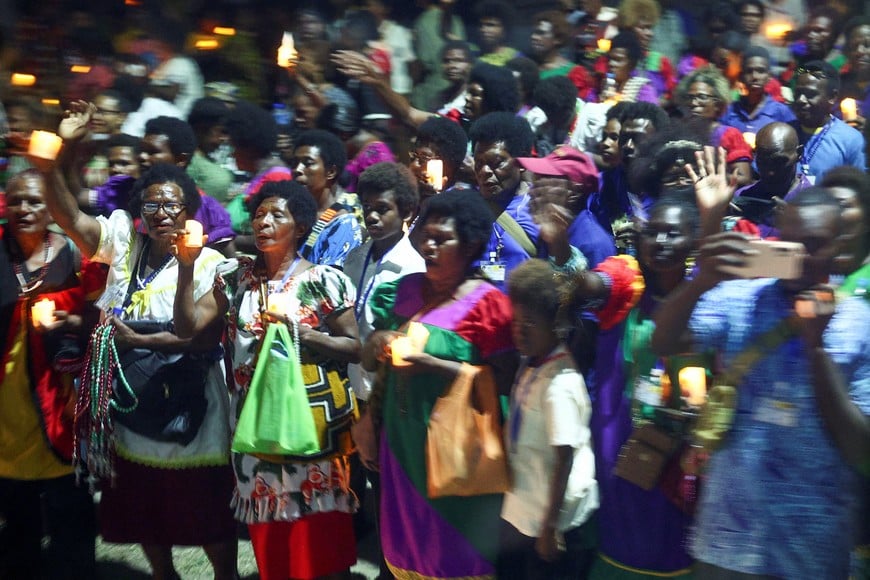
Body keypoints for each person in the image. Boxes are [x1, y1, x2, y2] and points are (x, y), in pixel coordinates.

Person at [41, 105, 239, 578]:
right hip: (130, 403)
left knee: (204, 509)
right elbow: (68, 216)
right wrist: (55, 158)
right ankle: (163, 574)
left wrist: (185, 270)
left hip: (192, 406)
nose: (163, 214)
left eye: (173, 205)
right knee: (144, 504)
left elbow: (199, 334)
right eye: (151, 205)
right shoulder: (122, 244)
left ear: (189, 212)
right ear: (139, 212)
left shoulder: (213, 263)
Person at [652, 184, 870, 578]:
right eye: (788, 243)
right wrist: (702, 280)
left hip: (811, 551)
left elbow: (860, 447)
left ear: (839, 249)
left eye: (814, 244)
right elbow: (664, 340)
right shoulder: (741, 299)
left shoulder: (860, 325)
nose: (798, 257)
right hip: (727, 545)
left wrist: (817, 350)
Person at [361, 189, 517, 578]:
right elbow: (370, 362)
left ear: (470, 245)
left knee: (456, 554)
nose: (429, 247)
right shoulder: (402, 291)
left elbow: (504, 380)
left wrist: (432, 364)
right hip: (401, 440)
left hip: (459, 449)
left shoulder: (487, 304)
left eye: (442, 239)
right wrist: (376, 345)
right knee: (407, 548)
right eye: (425, 237)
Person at [566, 193, 706, 579]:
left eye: (673, 234)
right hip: (620, 445)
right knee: (619, 541)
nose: (661, 243)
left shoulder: (705, 295)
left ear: (694, 239)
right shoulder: (628, 283)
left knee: (673, 542)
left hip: (681, 450)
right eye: (653, 233)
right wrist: (562, 244)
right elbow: (590, 286)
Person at [228, 180, 361, 580]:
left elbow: (355, 346)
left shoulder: (323, 280)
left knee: (316, 537)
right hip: (256, 425)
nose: (263, 222)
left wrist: (308, 335)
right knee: (271, 532)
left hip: (311, 426)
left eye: (277, 215)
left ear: (300, 227)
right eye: (259, 215)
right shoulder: (244, 283)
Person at [0, 170, 105, 580]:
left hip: (60, 403)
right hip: (8, 408)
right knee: (16, 510)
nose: (25, 209)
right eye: (17, 201)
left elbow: (101, 313)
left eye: (36, 201)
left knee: (70, 512)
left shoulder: (73, 254)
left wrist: (72, 319)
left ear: (51, 209)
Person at [497, 259, 599, 580]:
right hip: (524, 506)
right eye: (516, 320)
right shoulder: (532, 362)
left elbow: (563, 457)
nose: (520, 330)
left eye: (531, 323)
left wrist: (549, 528)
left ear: (556, 326)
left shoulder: (560, 384)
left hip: (552, 519)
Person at [292, 129, 363, 268]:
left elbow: (329, 282)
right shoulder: (290, 214)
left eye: (308, 163)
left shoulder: (342, 224)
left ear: (330, 172)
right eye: (294, 163)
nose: (297, 169)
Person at [675, 65, 754, 187]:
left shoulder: (728, 135)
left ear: (718, 104)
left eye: (702, 97)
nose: (693, 103)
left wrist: (709, 176)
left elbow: (744, 178)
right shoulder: (679, 133)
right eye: (690, 98)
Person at [730, 122, 811, 238]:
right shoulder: (743, 199)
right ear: (754, 155)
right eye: (763, 162)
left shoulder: (813, 204)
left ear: (799, 154)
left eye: (779, 162)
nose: (770, 171)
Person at [790, 60, 866, 182]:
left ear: (832, 97)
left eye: (810, 94)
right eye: (798, 93)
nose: (801, 100)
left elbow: (858, 189)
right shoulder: (783, 133)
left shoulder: (850, 139)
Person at [720, 46, 797, 135]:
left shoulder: (781, 112)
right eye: (749, 71)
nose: (755, 77)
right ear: (741, 77)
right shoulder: (730, 111)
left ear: (769, 76)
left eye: (761, 71)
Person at [186, 97, 234, 204]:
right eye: (221, 131)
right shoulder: (191, 163)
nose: (224, 139)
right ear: (201, 129)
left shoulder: (207, 158)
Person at [476, 1, 519, 67]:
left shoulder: (515, 57)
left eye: (490, 25)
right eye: (481, 25)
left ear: (505, 29)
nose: (483, 29)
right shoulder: (474, 56)